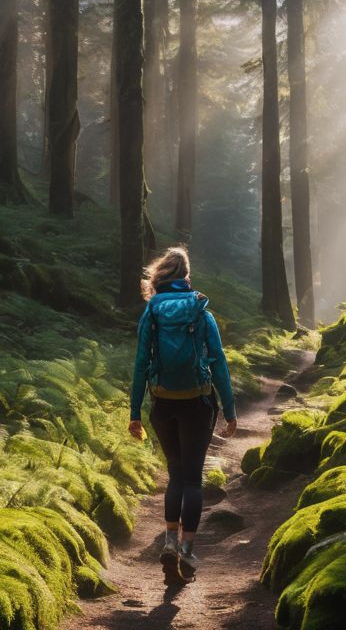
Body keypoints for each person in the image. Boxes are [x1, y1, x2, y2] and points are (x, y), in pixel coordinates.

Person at [128, 246, 237, 584]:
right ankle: (187, 550)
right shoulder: (201, 312)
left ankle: (169, 541)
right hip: (197, 403)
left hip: (163, 404)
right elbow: (217, 361)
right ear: (187, 275)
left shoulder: (152, 313)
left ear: (162, 274)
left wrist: (134, 413)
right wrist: (230, 411)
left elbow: (141, 365)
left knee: (175, 476)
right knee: (192, 478)